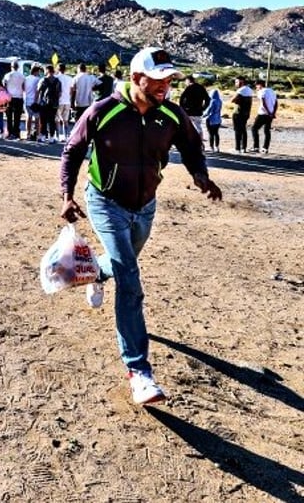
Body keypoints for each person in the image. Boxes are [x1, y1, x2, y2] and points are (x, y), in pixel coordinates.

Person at [60, 47, 222, 405]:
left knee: (123, 263)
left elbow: (193, 147)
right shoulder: (104, 110)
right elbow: (72, 150)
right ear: (137, 78)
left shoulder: (171, 113)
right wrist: (66, 196)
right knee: (130, 281)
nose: (166, 85)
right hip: (105, 202)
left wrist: (200, 175)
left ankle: (95, 274)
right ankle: (140, 373)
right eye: (158, 79)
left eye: (169, 79)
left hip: (145, 206)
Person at [178, 74, 210, 143]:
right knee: (198, 127)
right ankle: (200, 143)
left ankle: (189, 143)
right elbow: (207, 99)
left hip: (188, 111)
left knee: (187, 127)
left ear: (188, 80)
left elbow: (182, 99)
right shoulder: (201, 87)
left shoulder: (189, 88)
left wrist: (182, 108)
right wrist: (203, 108)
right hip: (198, 111)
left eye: (185, 81)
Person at [251, 78, 278, 154]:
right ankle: (265, 148)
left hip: (263, 113)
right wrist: (273, 113)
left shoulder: (261, 91)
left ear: (259, 85)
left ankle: (256, 147)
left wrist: (269, 112)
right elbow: (276, 103)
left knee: (254, 128)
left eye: (256, 86)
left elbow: (263, 103)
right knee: (267, 131)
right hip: (270, 114)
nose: (256, 87)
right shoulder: (272, 91)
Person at [36, 65, 60, 143]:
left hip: (43, 103)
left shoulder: (43, 80)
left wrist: (36, 101)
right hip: (53, 104)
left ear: (47, 71)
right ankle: (51, 138)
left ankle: (42, 137)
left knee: (43, 120)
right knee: (52, 120)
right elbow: (59, 93)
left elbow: (38, 91)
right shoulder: (57, 81)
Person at [231, 76, 253, 153]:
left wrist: (237, 100)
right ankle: (244, 148)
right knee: (243, 130)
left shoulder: (241, 90)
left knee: (237, 130)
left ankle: (237, 148)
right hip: (246, 113)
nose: (235, 83)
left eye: (236, 82)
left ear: (241, 82)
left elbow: (233, 100)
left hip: (238, 112)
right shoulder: (250, 90)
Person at [3, 60, 25, 139]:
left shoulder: (7, 75)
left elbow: (4, 87)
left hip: (9, 98)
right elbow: (23, 87)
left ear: (11, 67)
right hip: (19, 98)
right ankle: (16, 133)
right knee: (17, 116)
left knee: (9, 116)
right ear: (18, 67)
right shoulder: (22, 76)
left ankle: (9, 132)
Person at [55, 63, 73, 142]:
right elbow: (72, 90)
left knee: (57, 119)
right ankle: (66, 136)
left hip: (59, 101)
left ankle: (58, 136)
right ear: (65, 69)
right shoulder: (70, 78)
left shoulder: (56, 78)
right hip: (67, 101)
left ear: (58, 69)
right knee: (65, 120)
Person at [23, 65, 42, 140]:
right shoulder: (38, 79)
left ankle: (28, 134)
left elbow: (23, 88)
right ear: (36, 72)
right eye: (38, 72)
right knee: (37, 119)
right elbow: (39, 90)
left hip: (27, 100)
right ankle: (37, 135)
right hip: (35, 101)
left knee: (28, 118)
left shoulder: (26, 78)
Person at [203, 84, 222, 152]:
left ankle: (212, 147)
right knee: (216, 133)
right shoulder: (220, 101)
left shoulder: (212, 101)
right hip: (218, 119)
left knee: (211, 134)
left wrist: (203, 115)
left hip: (211, 120)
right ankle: (217, 147)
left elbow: (208, 111)